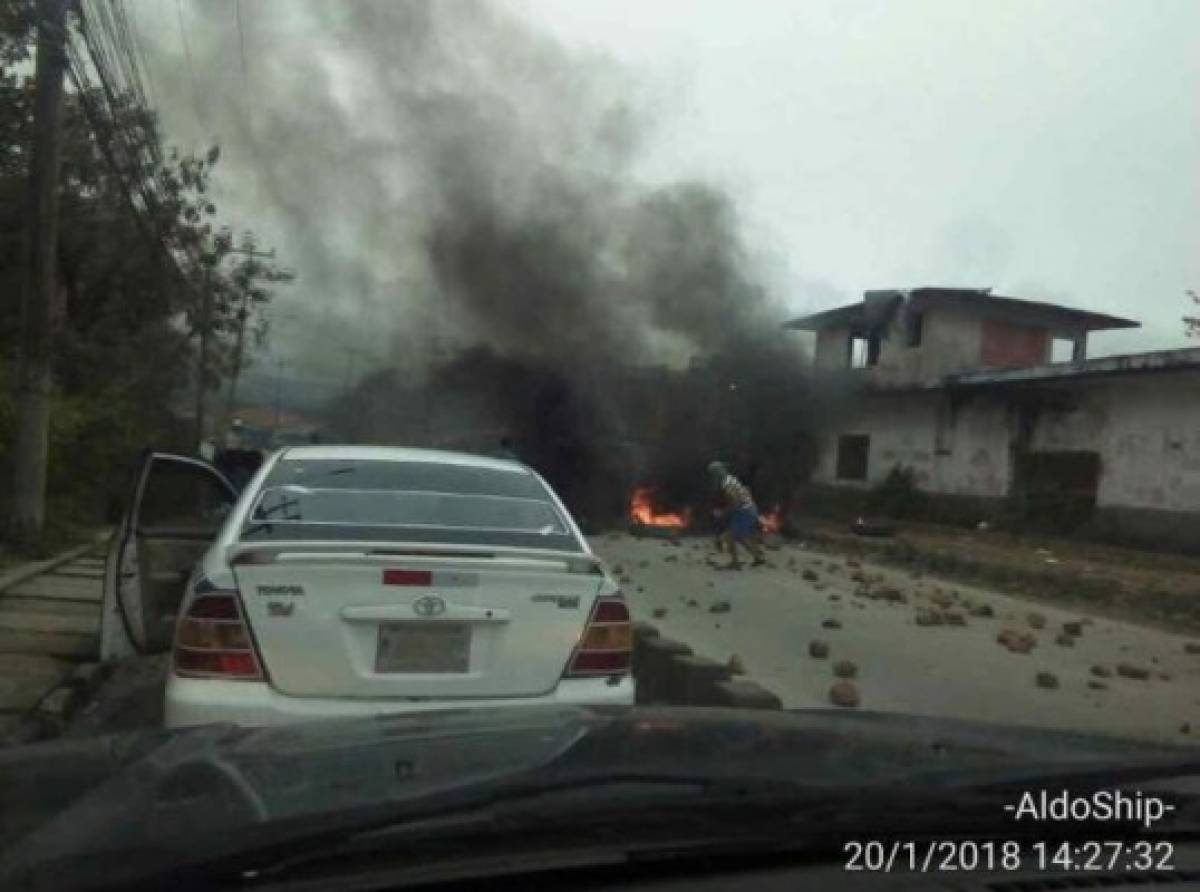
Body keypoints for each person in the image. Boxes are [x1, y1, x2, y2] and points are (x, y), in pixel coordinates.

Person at [708, 460, 767, 570]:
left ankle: (735, 563)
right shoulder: (729, 479)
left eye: (713, 473)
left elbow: (735, 502)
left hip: (745, 511)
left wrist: (723, 512)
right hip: (747, 509)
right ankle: (758, 557)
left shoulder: (727, 483)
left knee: (729, 537)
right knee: (739, 537)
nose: (713, 476)